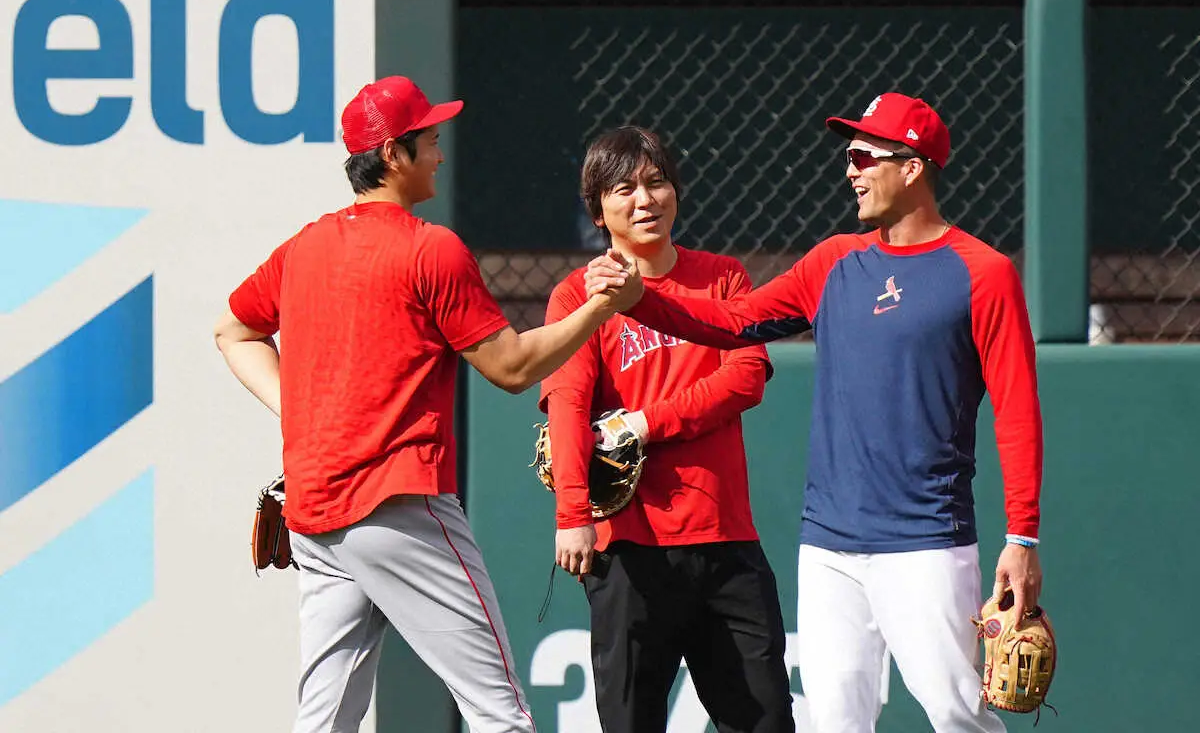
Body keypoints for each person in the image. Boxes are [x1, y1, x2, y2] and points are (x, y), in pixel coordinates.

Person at [583, 93, 1043, 733]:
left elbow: (1018, 412)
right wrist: (641, 300)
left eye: (864, 156)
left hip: (927, 540)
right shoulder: (834, 262)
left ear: (912, 167)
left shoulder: (983, 273)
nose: (850, 170)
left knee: (956, 713)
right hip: (828, 545)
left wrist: (1022, 538)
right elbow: (734, 322)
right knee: (833, 724)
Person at [213, 75, 640, 733]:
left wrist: (295, 411)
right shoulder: (428, 248)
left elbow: (233, 331)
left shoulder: (306, 245)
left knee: (323, 721)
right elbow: (512, 367)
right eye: (430, 140)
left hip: (318, 515)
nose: (440, 152)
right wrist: (601, 307)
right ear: (392, 155)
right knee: (500, 711)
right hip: (399, 506)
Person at [540, 126, 795, 732]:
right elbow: (569, 407)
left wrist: (642, 424)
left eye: (657, 183)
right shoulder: (580, 294)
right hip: (629, 549)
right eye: (624, 188)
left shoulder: (723, 279)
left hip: (724, 539)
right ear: (598, 209)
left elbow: (746, 376)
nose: (644, 200)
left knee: (764, 721)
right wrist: (573, 516)